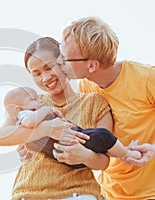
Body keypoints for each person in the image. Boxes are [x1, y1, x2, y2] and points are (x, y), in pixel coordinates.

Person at [0, 37, 112, 200]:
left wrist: (83, 155)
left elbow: (104, 161)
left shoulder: (94, 103)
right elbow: (2, 137)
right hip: (28, 193)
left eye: (48, 68)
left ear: (63, 62)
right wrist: (47, 129)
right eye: (36, 74)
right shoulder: (29, 102)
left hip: (77, 193)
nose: (45, 78)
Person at [56, 16, 155, 199]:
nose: (59, 62)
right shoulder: (87, 87)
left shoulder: (147, 78)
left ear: (92, 65)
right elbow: (89, 138)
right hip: (108, 192)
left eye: (65, 58)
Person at [3, 86, 141, 168]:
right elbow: (27, 123)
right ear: (18, 108)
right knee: (102, 136)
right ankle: (126, 154)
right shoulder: (25, 115)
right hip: (68, 147)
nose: (39, 101)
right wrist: (47, 110)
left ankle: (124, 152)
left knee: (101, 144)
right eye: (33, 99)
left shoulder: (93, 102)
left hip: (72, 149)